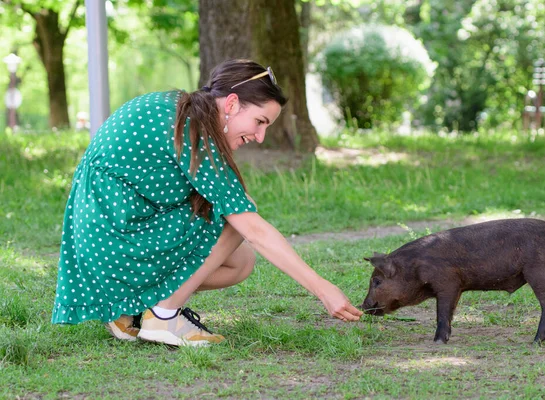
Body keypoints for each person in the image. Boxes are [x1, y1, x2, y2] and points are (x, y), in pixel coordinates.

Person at [52, 59, 363, 347]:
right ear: (231, 104)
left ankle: (129, 311)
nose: (260, 136)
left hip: (102, 243)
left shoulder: (178, 109)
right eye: (259, 121)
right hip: (111, 242)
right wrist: (323, 288)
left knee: (241, 262)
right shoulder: (194, 130)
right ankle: (163, 316)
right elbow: (253, 228)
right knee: (238, 214)